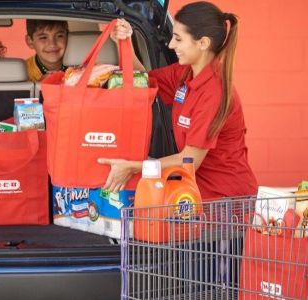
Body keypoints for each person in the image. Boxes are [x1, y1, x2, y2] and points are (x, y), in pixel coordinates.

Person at [98, 1, 258, 199]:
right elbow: (142, 80)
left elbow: (188, 160)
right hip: (195, 193)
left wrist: (134, 167)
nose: (172, 45)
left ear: (203, 43)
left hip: (226, 201)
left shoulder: (213, 92)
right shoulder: (185, 72)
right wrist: (124, 42)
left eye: (178, 39)